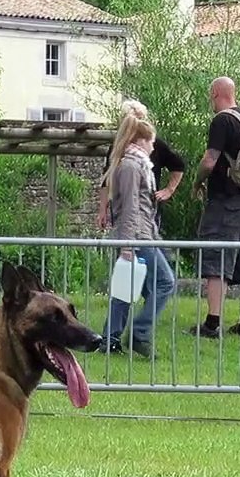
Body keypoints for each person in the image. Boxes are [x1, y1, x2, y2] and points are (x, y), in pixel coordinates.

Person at [96, 116, 174, 357]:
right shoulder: (131, 167)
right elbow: (130, 207)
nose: (153, 146)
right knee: (165, 282)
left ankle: (110, 339)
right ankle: (139, 333)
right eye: (151, 141)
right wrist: (128, 244)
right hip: (138, 235)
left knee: (125, 288)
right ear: (139, 141)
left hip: (140, 233)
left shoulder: (131, 164)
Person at [190, 77, 240, 338]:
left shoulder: (223, 120)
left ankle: (212, 324)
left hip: (226, 200)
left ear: (215, 93)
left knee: (217, 258)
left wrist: (197, 181)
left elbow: (210, 160)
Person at [96, 99, 185, 233]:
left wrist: (169, 190)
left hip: (147, 207)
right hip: (122, 208)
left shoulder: (155, 144)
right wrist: (103, 209)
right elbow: (107, 179)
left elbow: (178, 165)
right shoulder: (118, 147)